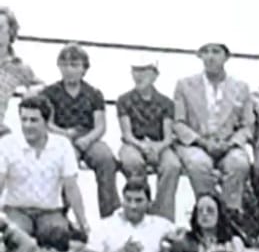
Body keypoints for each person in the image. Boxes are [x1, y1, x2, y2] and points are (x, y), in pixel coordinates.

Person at [171, 41, 254, 221]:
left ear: (226, 56)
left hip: (228, 144)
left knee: (239, 163)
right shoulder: (185, 85)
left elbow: (248, 125)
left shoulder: (241, 88)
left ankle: (230, 218)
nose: (210, 57)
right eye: (205, 52)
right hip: (196, 144)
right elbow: (178, 123)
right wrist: (202, 142)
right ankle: (206, 215)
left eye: (216, 51)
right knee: (198, 163)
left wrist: (230, 144)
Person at [41, 44, 122, 218]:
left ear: (84, 68)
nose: (69, 70)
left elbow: (100, 125)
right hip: (61, 137)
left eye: (75, 65)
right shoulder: (50, 93)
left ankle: (110, 215)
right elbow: (48, 124)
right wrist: (66, 135)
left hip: (88, 137)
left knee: (106, 158)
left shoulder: (94, 94)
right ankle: (59, 214)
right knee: (66, 162)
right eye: (65, 65)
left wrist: (87, 139)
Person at [1, 96, 87, 239]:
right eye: (24, 119)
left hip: (50, 212)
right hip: (16, 211)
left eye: (34, 120)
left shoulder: (62, 145)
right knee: (14, 235)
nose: (27, 125)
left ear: (46, 122)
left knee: (59, 235)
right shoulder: (7, 144)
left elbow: (71, 187)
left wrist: (83, 223)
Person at [115, 60, 182, 221]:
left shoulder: (165, 103)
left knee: (172, 165)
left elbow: (167, 136)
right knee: (132, 162)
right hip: (133, 143)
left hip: (160, 144)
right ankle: (138, 211)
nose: (139, 75)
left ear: (154, 75)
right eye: (135, 70)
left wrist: (157, 148)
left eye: (144, 71)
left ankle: (162, 217)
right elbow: (127, 133)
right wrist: (142, 146)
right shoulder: (124, 100)